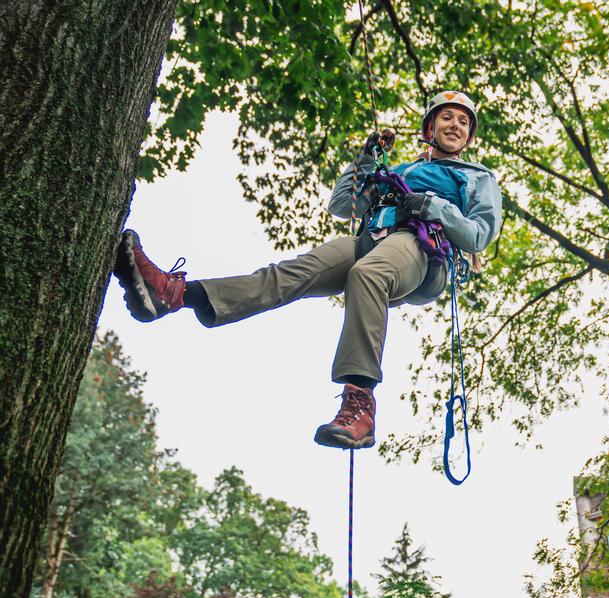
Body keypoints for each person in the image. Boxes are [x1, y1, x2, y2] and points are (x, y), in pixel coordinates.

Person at [112, 90, 502, 450]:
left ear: (468, 135)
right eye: (446, 118)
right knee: (294, 272)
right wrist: (365, 160)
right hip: (377, 238)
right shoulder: (399, 171)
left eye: (463, 121)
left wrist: (433, 207)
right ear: (429, 128)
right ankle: (174, 295)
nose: (455, 125)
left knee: (366, 274)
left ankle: (360, 404)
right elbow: (344, 206)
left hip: (423, 250)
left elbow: (480, 234)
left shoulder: (476, 177)